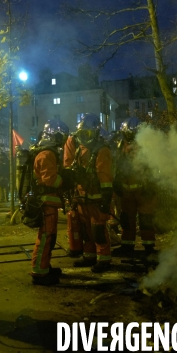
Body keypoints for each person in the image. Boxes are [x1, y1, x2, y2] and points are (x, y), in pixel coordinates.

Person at [64, 113, 113, 273]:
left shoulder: (101, 150)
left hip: (96, 198)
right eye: (82, 134)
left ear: (96, 133)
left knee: (98, 230)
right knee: (86, 230)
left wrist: (106, 197)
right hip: (82, 197)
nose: (85, 137)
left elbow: (104, 175)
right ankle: (89, 256)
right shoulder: (79, 149)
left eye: (88, 134)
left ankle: (104, 258)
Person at [28, 119, 70, 286]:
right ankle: (38, 272)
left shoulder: (46, 152)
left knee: (49, 238)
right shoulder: (47, 154)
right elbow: (50, 180)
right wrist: (65, 179)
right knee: (45, 238)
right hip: (46, 205)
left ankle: (44, 266)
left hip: (49, 204)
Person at [112, 117, 158, 256]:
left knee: (146, 219)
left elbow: (155, 165)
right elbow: (118, 165)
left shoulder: (147, 145)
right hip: (127, 190)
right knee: (127, 218)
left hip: (144, 189)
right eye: (127, 134)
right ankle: (127, 246)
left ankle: (149, 247)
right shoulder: (121, 144)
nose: (129, 136)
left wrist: (151, 183)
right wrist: (117, 181)